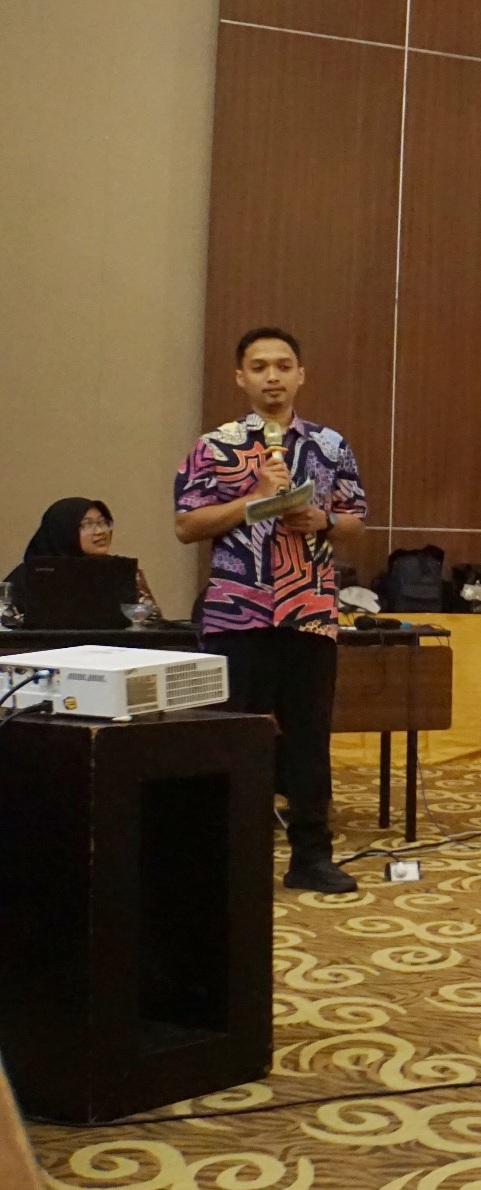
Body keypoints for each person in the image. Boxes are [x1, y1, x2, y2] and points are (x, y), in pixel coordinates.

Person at [174, 326, 369, 895]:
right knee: (234, 736)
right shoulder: (213, 448)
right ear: (241, 377)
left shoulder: (330, 446)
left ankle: (310, 856)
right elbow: (186, 525)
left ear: (301, 374)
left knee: (310, 738)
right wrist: (254, 502)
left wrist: (324, 521)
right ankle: (228, 858)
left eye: (284, 365)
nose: (273, 377)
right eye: (259, 367)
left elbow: (356, 520)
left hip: (310, 613)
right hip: (237, 615)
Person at [8, 497, 159, 617]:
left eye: (102, 522)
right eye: (87, 525)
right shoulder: (31, 576)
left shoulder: (120, 572)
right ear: (62, 531)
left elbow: (151, 622)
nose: (100, 531)